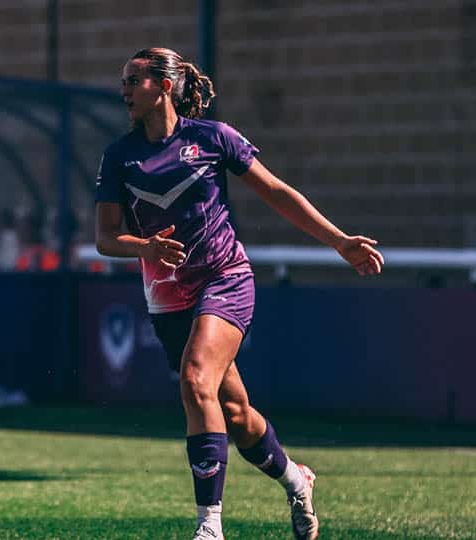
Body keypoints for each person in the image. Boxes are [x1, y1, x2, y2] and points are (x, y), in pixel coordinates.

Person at [94, 48, 384, 540]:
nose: (124, 89)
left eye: (134, 80)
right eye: (123, 81)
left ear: (165, 86)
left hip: (225, 278)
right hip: (168, 298)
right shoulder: (119, 156)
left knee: (194, 379)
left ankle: (210, 527)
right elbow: (104, 237)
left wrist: (339, 241)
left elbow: (275, 191)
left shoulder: (212, 137)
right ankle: (297, 479)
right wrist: (144, 247)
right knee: (234, 415)